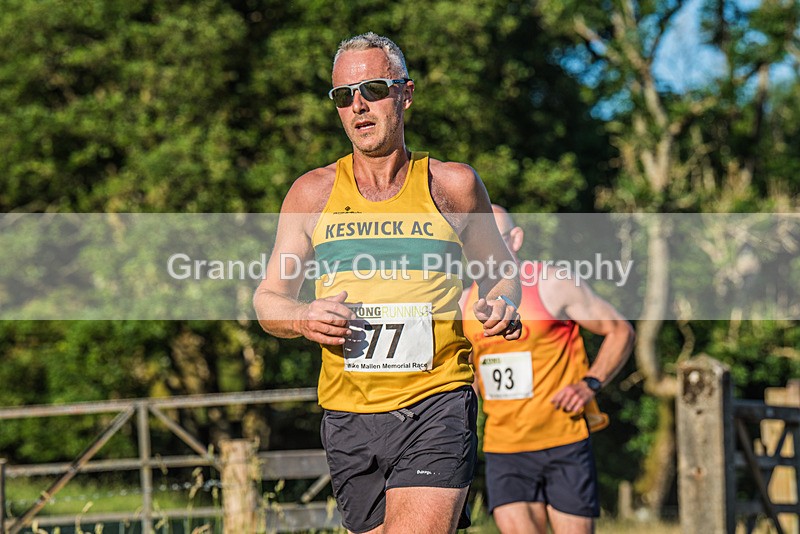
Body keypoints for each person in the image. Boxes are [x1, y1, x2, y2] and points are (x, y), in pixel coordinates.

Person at [253, 33, 522, 534]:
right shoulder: (311, 193)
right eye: (343, 95)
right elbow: (269, 300)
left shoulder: (452, 185)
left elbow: (502, 273)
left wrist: (503, 303)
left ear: (406, 93)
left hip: (437, 398)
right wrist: (303, 317)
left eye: (373, 89)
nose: (358, 105)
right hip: (348, 412)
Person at [461, 205, 635, 534]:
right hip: (504, 447)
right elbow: (465, 375)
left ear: (515, 239)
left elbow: (620, 330)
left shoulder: (551, 284)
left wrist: (590, 383)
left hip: (563, 439)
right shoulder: (464, 303)